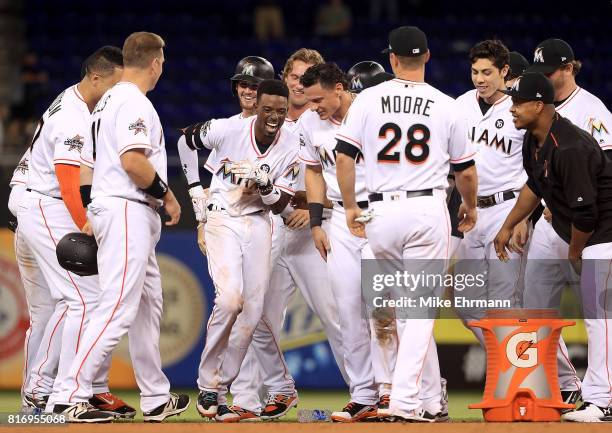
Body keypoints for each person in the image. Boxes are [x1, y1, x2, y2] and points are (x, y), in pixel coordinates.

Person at [335, 25, 478, 422]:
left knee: (402, 310)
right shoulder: (446, 104)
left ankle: (422, 398)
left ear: (392, 59)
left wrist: (350, 206)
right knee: (418, 312)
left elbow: (344, 158)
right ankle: (405, 398)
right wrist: (469, 206)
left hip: (379, 212)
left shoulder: (368, 99)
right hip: (426, 208)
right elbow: (465, 171)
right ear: (427, 57)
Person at [49, 32, 188, 423]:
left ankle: (156, 396)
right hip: (128, 208)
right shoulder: (132, 102)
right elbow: (133, 162)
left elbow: (90, 167)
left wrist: (95, 207)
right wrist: (168, 195)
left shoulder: (105, 102)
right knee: (116, 308)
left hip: (116, 207)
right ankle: (69, 394)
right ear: (156, 63)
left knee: (148, 305)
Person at [15, 46, 135, 420]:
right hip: (47, 205)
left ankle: (78, 389)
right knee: (82, 301)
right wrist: (89, 225)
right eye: (114, 84)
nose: (119, 93)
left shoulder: (74, 100)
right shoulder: (73, 116)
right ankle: (45, 393)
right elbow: (69, 185)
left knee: (56, 307)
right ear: (96, 77)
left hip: (33, 202)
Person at [224, 48, 339, 423]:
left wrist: (315, 210)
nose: (298, 84)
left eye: (307, 78)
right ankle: (251, 397)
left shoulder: (326, 126)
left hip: (311, 236)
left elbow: (335, 182)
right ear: (284, 81)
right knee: (255, 316)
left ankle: (367, 393)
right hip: (271, 232)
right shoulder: (262, 127)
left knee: (335, 315)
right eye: (293, 76)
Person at [177, 80, 300, 422]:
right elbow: (185, 140)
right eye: (267, 109)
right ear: (255, 108)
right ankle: (207, 381)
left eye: (281, 110)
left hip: (260, 220)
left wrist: (265, 184)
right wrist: (193, 192)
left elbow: (280, 204)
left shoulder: (293, 142)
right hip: (223, 216)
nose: (274, 116)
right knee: (231, 299)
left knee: (254, 310)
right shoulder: (227, 129)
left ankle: (219, 386)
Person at [494, 71, 612, 422]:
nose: (511, 108)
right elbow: (535, 185)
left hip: (603, 234)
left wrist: (574, 252)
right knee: (541, 306)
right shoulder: (534, 138)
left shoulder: (571, 145)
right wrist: (508, 224)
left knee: (599, 319)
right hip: (579, 230)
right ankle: (574, 390)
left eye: (517, 102)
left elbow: (586, 213)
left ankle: (602, 401)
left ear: (539, 105)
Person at [520, 38, 612, 406]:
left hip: (591, 227)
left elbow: (603, 174)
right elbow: (535, 176)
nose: (546, 77)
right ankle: (564, 383)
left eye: (552, 71)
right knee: (534, 308)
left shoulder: (594, 111)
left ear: (571, 67)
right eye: (540, 72)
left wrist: (572, 213)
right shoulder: (536, 112)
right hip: (551, 223)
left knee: (599, 315)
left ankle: (601, 395)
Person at [298, 62, 378, 422]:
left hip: (379, 214)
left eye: (318, 99)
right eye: (309, 99)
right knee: (348, 309)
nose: (314, 106)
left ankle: (402, 389)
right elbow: (313, 171)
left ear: (340, 87)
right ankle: (363, 394)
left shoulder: (371, 110)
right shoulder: (309, 123)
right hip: (341, 224)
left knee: (387, 309)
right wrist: (316, 223)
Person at [453, 40, 527, 344]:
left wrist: (525, 216)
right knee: (466, 304)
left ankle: (519, 385)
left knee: (504, 303)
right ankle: (507, 370)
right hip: (471, 212)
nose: (480, 79)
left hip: (507, 209)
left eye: (487, 72)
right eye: (475, 72)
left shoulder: (519, 108)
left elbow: (539, 168)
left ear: (504, 70)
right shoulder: (459, 105)